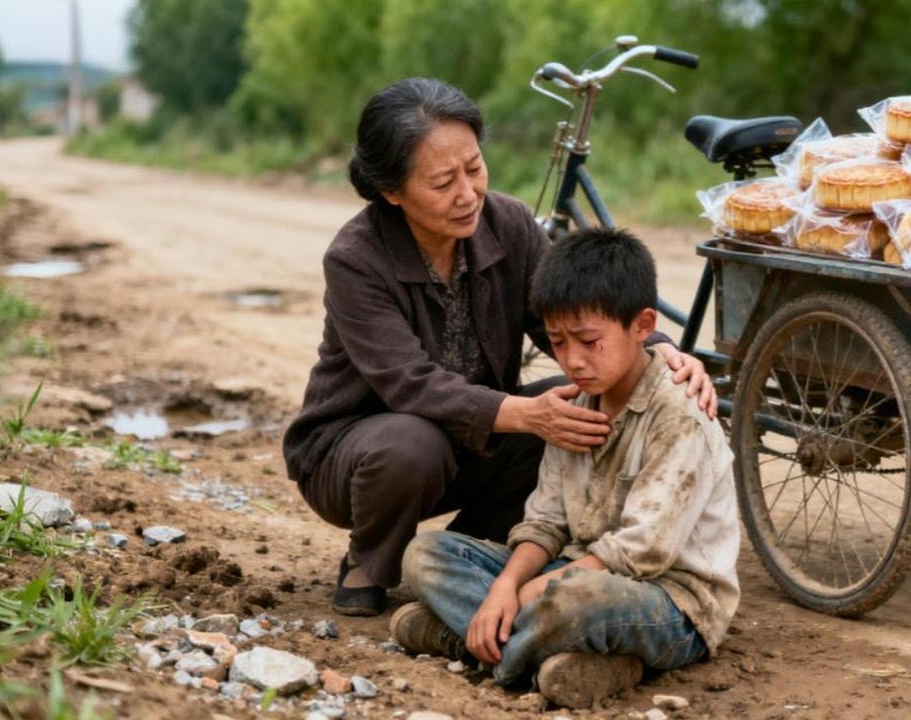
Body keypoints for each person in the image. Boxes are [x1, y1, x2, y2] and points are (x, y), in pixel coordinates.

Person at [281, 77, 716, 617]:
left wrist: (661, 351)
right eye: (443, 182)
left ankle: (466, 553)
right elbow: (408, 383)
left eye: (474, 168)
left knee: (578, 406)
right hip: (360, 458)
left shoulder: (509, 225)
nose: (467, 194)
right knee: (414, 442)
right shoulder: (355, 258)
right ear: (392, 191)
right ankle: (370, 561)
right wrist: (526, 414)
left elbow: (574, 313)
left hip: (473, 442)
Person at [391, 227, 740, 710]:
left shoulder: (679, 414)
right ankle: (556, 657)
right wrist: (506, 586)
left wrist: (525, 594)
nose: (572, 360)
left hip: (669, 601)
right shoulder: (574, 405)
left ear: (642, 325)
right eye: (556, 342)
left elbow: (643, 552)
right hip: (570, 570)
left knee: (577, 601)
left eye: (589, 341)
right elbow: (546, 522)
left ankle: (479, 647)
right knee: (425, 553)